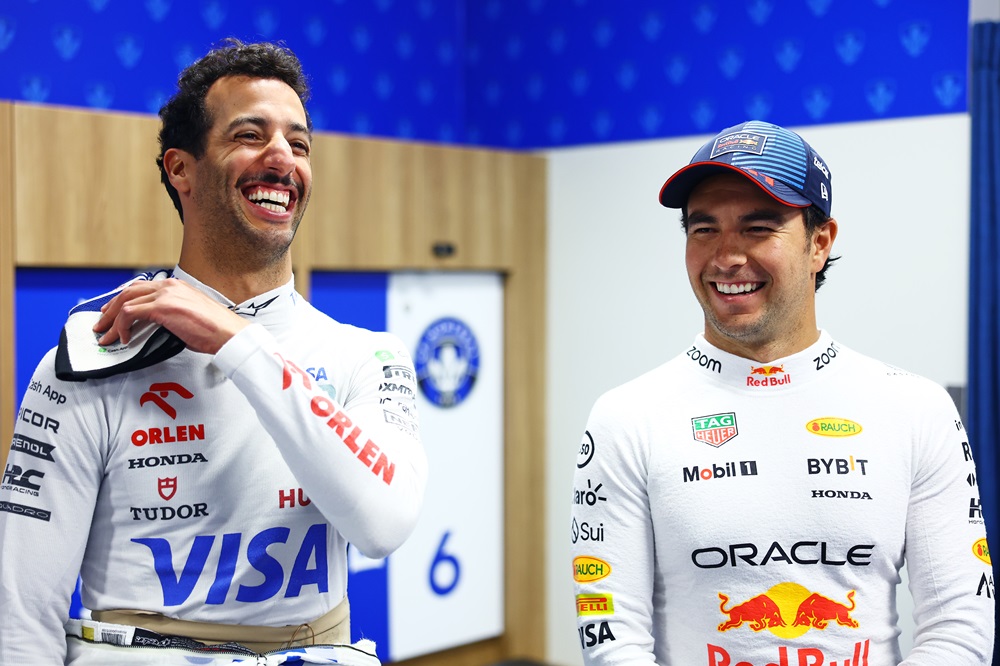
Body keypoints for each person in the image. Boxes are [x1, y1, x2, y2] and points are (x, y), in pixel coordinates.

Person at [0, 39, 427, 665]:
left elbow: (383, 524)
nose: (282, 156)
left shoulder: (369, 358)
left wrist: (239, 342)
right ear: (181, 170)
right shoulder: (91, 360)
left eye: (299, 142)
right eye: (250, 135)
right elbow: (21, 613)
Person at [570, 120, 993, 665]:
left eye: (757, 228)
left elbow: (960, 625)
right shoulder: (625, 417)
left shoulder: (916, 409)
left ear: (820, 243)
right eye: (703, 230)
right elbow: (613, 635)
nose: (726, 257)